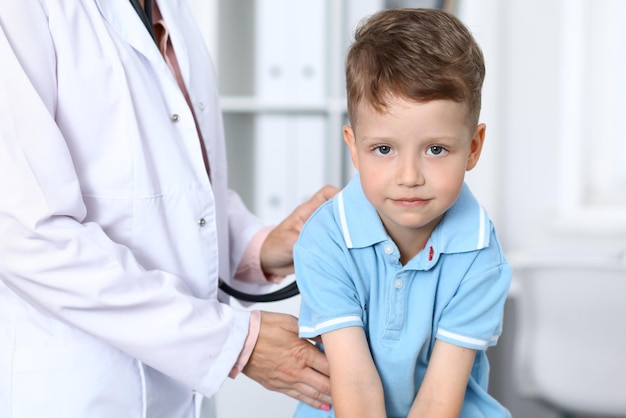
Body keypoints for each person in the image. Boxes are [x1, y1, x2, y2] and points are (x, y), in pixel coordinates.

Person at [0, 1, 337, 417]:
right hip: (82, 391)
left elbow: (182, 189)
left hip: (181, 395)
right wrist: (231, 342)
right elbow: (25, 233)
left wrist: (261, 247)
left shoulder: (168, 10)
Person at [293, 8, 512, 418]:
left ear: (474, 147)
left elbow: (439, 400)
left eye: (435, 149)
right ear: (354, 147)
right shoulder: (325, 240)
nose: (409, 176)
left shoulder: (480, 255)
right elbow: (355, 383)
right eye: (383, 149)